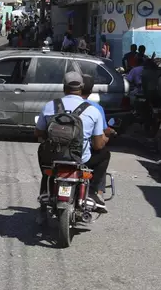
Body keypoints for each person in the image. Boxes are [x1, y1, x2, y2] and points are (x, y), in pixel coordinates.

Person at [35, 71, 110, 215]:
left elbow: (38, 133)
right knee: (105, 154)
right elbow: (98, 145)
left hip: (53, 157)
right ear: (81, 88)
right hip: (81, 158)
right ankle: (94, 193)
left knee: (42, 150)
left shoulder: (50, 106)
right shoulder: (93, 110)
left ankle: (45, 189)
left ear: (64, 87)